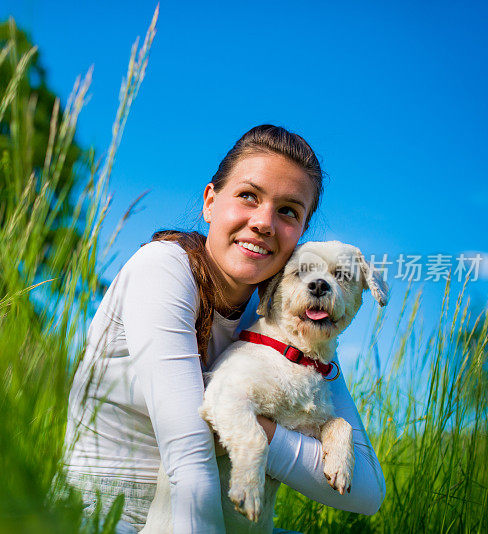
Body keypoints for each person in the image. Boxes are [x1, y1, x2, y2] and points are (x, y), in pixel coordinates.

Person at [62, 125, 385, 532]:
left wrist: (267, 433)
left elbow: (367, 493)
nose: (264, 222)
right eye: (248, 196)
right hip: (109, 511)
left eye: (288, 211)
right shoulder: (163, 271)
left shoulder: (294, 316)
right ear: (210, 202)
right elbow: (189, 462)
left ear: (301, 233)